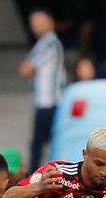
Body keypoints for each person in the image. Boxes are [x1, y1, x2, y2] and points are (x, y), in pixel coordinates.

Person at [18, 8, 66, 174]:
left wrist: (32, 71)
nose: (35, 25)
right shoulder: (47, 42)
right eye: (33, 22)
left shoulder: (48, 42)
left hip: (49, 102)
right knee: (44, 142)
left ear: (50, 23)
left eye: (39, 21)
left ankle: (34, 177)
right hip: (47, 101)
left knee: (38, 144)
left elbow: (25, 69)